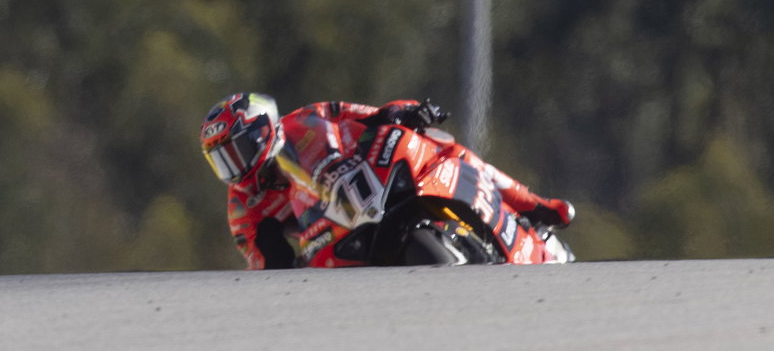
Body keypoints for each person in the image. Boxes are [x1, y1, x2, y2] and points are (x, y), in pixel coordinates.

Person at [200, 92, 575, 269]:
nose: (234, 166)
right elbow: (265, 262)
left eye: (237, 150)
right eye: (222, 160)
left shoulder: (306, 120)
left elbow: (363, 116)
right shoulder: (242, 208)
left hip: (359, 188)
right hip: (328, 239)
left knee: (444, 145)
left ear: (263, 131)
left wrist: (402, 112)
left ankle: (534, 205)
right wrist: (285, 268)